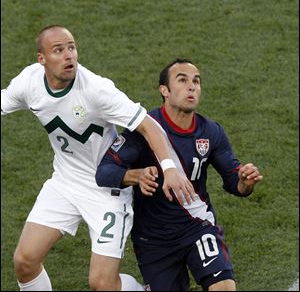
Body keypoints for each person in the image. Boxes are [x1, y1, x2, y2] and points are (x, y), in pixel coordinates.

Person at [1, 27, 195, 292]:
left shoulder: (96, 89)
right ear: (42, 59)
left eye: (71, 47)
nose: (69, 55)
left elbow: (149, 126)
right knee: (25, 261)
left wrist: (170, 169)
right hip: (65, 182)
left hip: (108, 192)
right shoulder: (30, 82)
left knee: (102, 284)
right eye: (59, 50)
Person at [96, 58, 263, 291]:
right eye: (182, 80)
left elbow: (235, 183)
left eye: (196, 81)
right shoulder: (143, 128)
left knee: (224, 287)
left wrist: (245, 182)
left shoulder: (211, 132)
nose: (191, 86)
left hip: (197, 227)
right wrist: (137, 176)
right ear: (164, 90)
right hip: (154, 239)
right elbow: (104, 172)